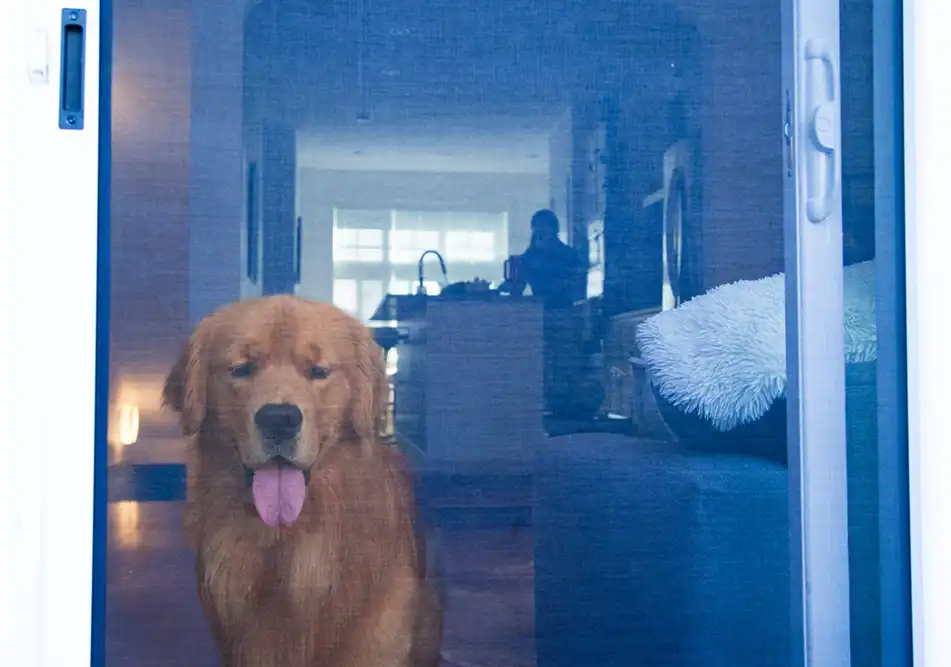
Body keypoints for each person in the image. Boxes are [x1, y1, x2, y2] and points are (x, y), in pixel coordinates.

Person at [500, 209, 585, 308]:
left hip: (564, 312)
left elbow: (578, 290)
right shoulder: (530, 256)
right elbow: (517, 286)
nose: (541, 232)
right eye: (538, 228)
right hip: (538, 313)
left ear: (554, 230)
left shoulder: (569, 255)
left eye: (545, 227)